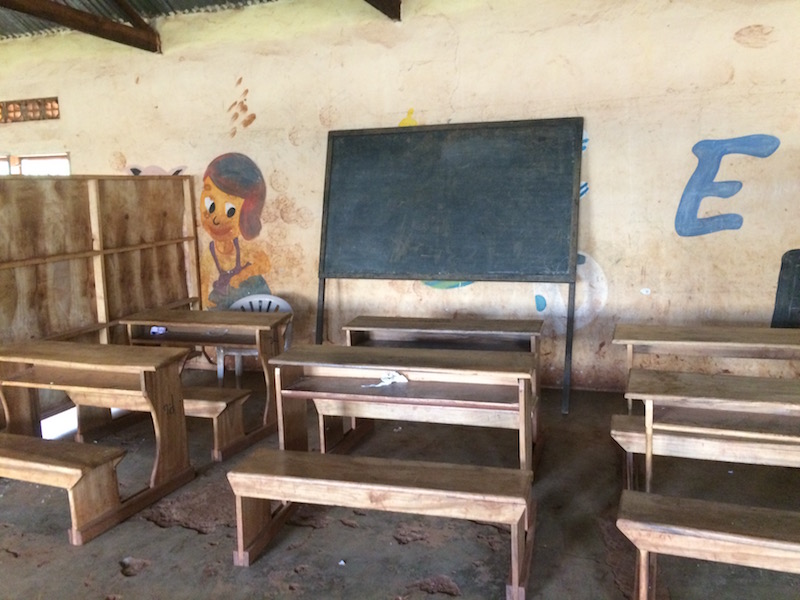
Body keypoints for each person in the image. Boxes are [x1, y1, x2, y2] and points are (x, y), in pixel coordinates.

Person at [201, 152, 271, 307]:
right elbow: (204, 276)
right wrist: (203, 297)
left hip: (253, 299)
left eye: (230, 210)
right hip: (228, 298)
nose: (216, 219)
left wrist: (244, 275)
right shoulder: (210, 252)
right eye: (210, 204)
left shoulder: (244, 247)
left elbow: (265, 264)